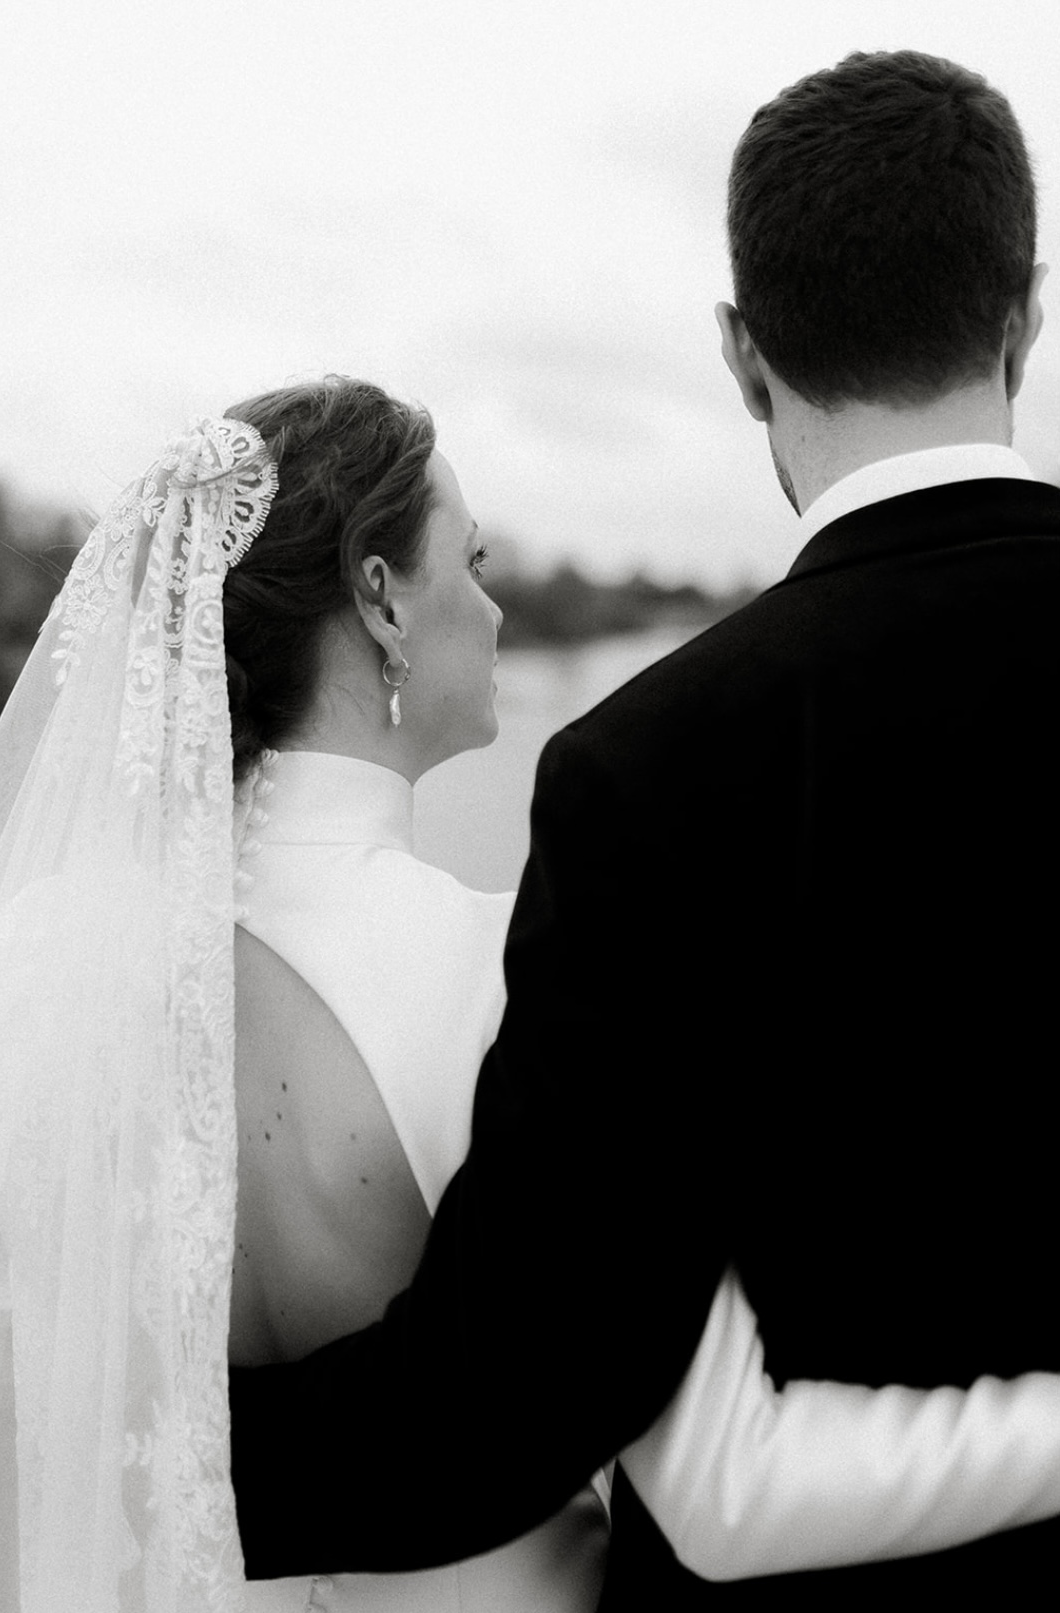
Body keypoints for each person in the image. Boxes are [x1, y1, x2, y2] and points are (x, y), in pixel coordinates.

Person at [0, 376, 1057, 1613]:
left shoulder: (26, 970)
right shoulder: (511, 969)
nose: (497, 598)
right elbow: (722, 1474)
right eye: (468, 558)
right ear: (381, 600)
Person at [228, 49, 1060, 1603]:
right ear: (1025, 308)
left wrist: (129, 1461)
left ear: (743, 356)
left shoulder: (653, 770)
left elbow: (528, 1386)